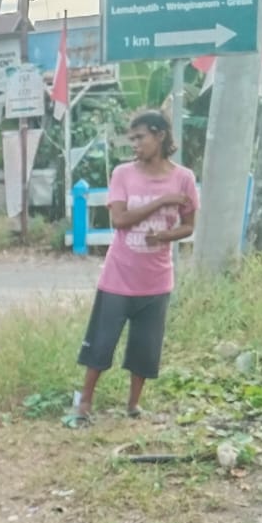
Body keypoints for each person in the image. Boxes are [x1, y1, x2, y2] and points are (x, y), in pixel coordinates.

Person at [69, 109, 197, 425]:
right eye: (133, 139)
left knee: (145, 347)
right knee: (100, 342)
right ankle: (84, 403)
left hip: (156, 279)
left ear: (160, 135)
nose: (135, 145)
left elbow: (189, 226)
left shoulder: (184, 178)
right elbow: (120, 220)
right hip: (119, 276)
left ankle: (133, 405)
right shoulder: (123, 174)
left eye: (141, 137)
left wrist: (166, 234)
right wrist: (161, 201)